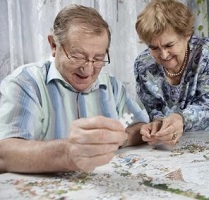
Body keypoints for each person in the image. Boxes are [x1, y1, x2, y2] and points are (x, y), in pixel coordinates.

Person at [0, 4, 149, 174]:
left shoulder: (112, 85)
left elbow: (140, 126)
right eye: (78, 56)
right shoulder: (25, 82)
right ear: (54, 45)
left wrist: (116, 139)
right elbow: (4, 153)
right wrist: (67, 153)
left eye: (98, 58)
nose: (88, 69)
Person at [134, 0, 209, 146]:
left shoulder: (206, 52)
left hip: (203, 140)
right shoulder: (143, 64)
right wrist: (157, 124)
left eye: (169, 45)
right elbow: (152, 109)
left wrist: (180, 119)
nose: (163, 55)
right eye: (154, 47)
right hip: (162, 144)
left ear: (186, 35)